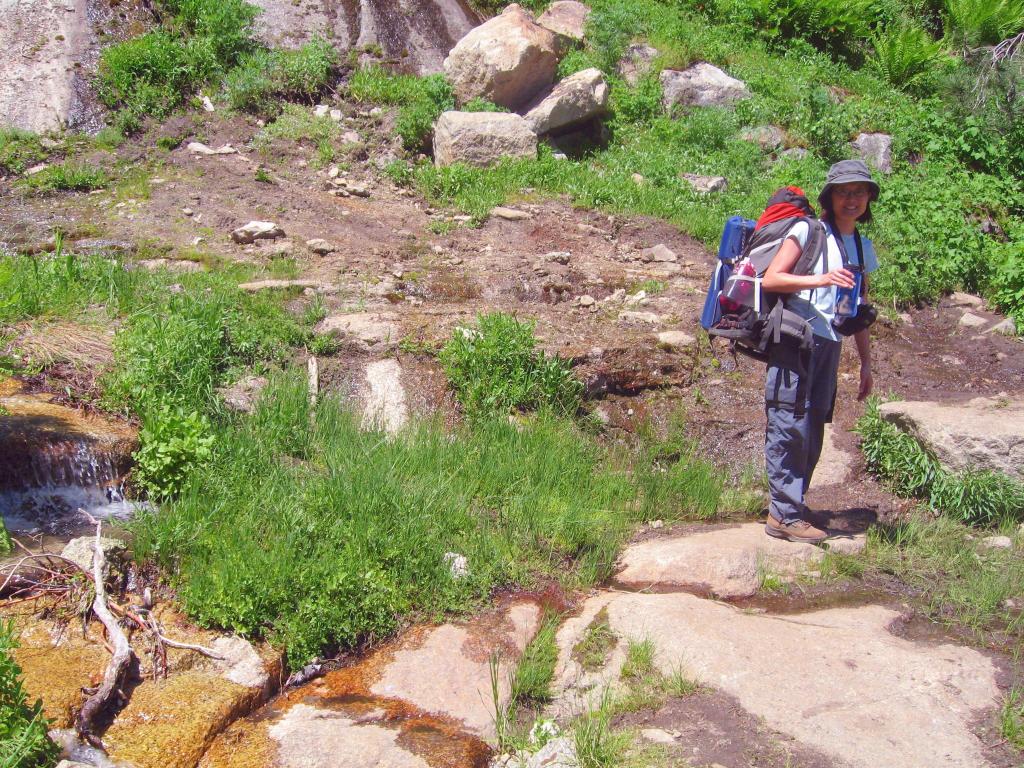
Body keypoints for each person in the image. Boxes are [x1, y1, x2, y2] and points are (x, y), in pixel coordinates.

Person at [760, 159, 880, 543]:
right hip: (794, 337)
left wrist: (865, 363)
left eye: (859, 192)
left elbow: (858, 310)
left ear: (869, 198)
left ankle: (792, 505)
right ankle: (783, 515)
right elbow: (772, 279)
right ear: (830, 196)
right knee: (788, 421)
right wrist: (822, 278)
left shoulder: (861, 245)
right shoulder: (807, 230)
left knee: (813, 426)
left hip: (830, 343)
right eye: (844, 192)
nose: (852, 199)